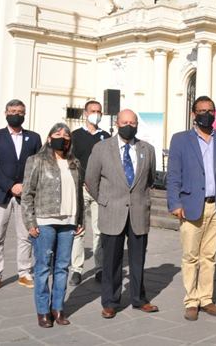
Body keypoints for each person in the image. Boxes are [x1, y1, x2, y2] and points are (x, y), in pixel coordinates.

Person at [84, 109, 159, 319]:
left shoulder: (148, 149)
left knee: (138, 260)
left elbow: (150, 179)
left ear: (137, 125)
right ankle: (110, 302)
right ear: (117, 123)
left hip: (138, 212)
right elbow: (91, 180)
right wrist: (105, 200)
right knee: (111, 262)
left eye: (133, 122)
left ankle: (139, 298)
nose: (129, 125)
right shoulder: (101, 148)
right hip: (112, 211)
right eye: (125, 122)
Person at [167, 96, 216, 321]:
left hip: (215, 207)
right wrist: (175, 203)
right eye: (202, 110)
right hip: (189, 207)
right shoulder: (180, 140)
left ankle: (206, 298)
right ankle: (191, 300)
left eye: (211, 110)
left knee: (209, 256)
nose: (207, 114)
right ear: (193, 114)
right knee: (190, 257)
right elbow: (174, 175)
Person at [21, 123, 83, 328]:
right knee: (42, 267)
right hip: (44, 221)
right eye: (58, 134)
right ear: (49, 138)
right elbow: (27, 194)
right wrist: (30, 222)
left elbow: (79, 194)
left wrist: (80, 219)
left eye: (66, 135)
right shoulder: (36, 160)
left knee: (63, 267)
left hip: (68, 222)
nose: (62, 138)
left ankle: (58, 308)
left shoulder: (74, 163)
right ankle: (42, 311)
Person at [0, 99, 41, 293]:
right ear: (6, 112)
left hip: (25, 195)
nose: (16, 114)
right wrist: (11, 186)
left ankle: (24, 272)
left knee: (25, 236)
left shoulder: (33, 138)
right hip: (0, 194)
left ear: (25, 114)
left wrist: (26, 187)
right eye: (13, 110)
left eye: (20, 111)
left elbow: (37, 165)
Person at [68, 100, 110, 286]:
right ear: (86, 113)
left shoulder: (106, 136)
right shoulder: (75, 136)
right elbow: (70, 162)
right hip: (80, 189)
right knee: (78, 230)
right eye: (93, 111)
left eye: (99, 111)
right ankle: (77, 269)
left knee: (100, 231)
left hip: (100, 190)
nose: (96, 114)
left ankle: (100, 268)